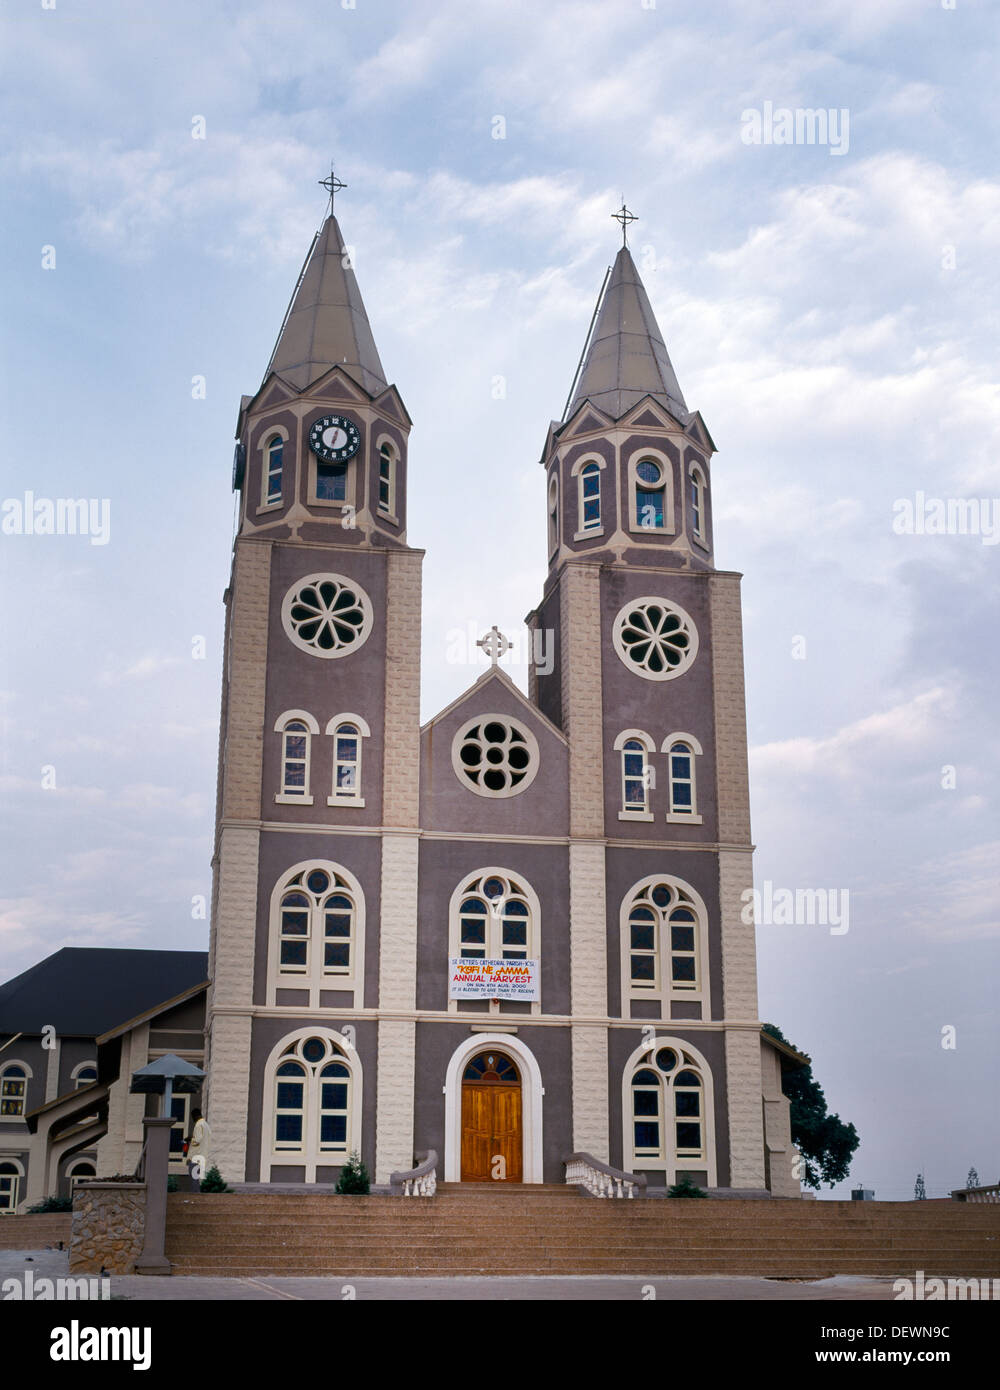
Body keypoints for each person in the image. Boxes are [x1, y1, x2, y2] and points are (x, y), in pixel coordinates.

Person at [186, 1108, 211, 1184]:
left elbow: (197, 1140)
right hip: (203, 1156)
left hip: (195, 1157)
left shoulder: (198, 1124)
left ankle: (195, 1195)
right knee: (197, 1180)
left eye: (192, 1117)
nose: (192, 1119)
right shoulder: (206, 1125)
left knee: (194, 1180)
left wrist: (190, 1139)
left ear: (195, 1116)